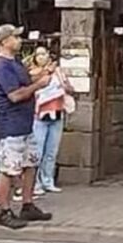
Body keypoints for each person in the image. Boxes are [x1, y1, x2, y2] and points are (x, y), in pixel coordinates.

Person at [0, 24, 53, 230]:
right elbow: (15, 95)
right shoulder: (1, 66)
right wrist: (39, 85)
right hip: (10, 124)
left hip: (25, 124)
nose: (19, 40)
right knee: (9, 168)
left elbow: (25, 81)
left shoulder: (15, 63)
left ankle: (27, 204)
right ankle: (5, 210)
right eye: (15, 37)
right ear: (4, 41)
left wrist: (42, 75)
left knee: (30, 164)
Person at [30, 46, 74, 195]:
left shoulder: (58, 72)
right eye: (39, 54)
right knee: (38, 151)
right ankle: (34, 183)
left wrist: (66, 86)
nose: (42, 57)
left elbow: (69, 88)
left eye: (44, 54)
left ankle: (48, 180)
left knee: (51, 152)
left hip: (56, 114)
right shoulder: (32, 73)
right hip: (40, 116)